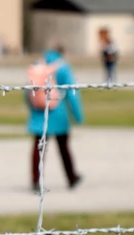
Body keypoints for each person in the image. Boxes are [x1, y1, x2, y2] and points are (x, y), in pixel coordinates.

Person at [26, 45, 84, 192]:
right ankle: (71, 177)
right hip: (59, 113)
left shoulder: (38, 65)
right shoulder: (62, 68)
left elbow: (28, 92)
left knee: (38, 149)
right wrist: (78, 115)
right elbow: (72, 92)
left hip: (40, 114)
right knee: (64, 148)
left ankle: (35, 180)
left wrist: (32, 109)